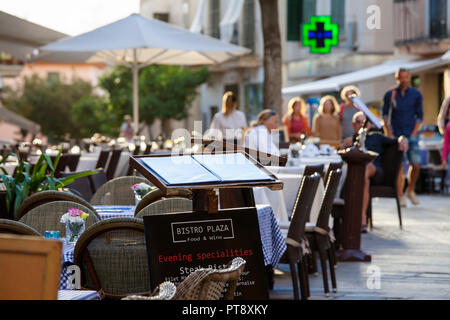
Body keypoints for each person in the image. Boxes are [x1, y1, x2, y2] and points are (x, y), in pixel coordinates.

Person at [344, 112, 409, 233]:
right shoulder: (350, 140)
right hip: (358, 174)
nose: (362, 125)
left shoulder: (376, 137)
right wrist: (343, 146)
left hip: (376, 171)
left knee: (365, 168)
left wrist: (403, 138)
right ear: (353, 125)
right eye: (359, 122)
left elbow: (396, 140)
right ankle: (352, 217)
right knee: (360, 178)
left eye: (364, 123)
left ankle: (361, 217)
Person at [382, 68, 423, 206]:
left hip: (411, 133)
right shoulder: (391, 94)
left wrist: (414, 132)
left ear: (409, 78)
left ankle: (410, 190)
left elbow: (420, 116)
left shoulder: (416, 94)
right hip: (396, 134)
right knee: (399, 165)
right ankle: (400, 195)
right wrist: (389, 133)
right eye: (401, 77)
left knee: (416, 164)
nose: (403, 80)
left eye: (406, 77)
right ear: (397, 78)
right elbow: (385, 115)